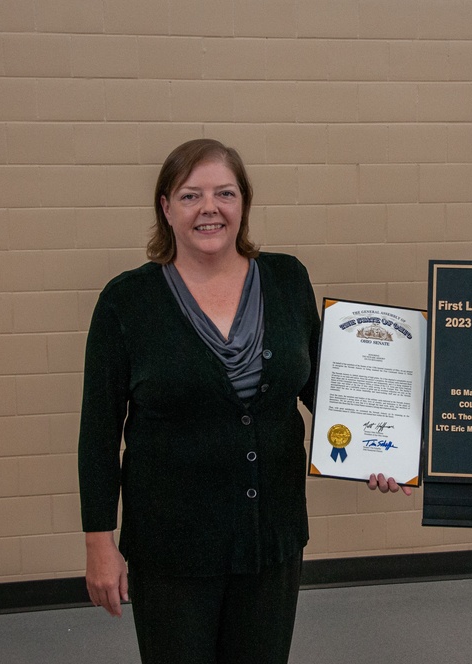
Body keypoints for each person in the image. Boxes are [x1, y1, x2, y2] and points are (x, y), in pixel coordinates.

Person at [78, 138, 410, 664]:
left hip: (271, 541)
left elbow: (325, 391)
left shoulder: (286, 279)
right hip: (171, 549)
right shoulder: (127, 302)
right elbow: (98, 434)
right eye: (191, 196)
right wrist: (101, 543)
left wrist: (381, 451)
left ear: (243, 203)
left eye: (224, 193)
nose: (209, 208)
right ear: (165, 207)